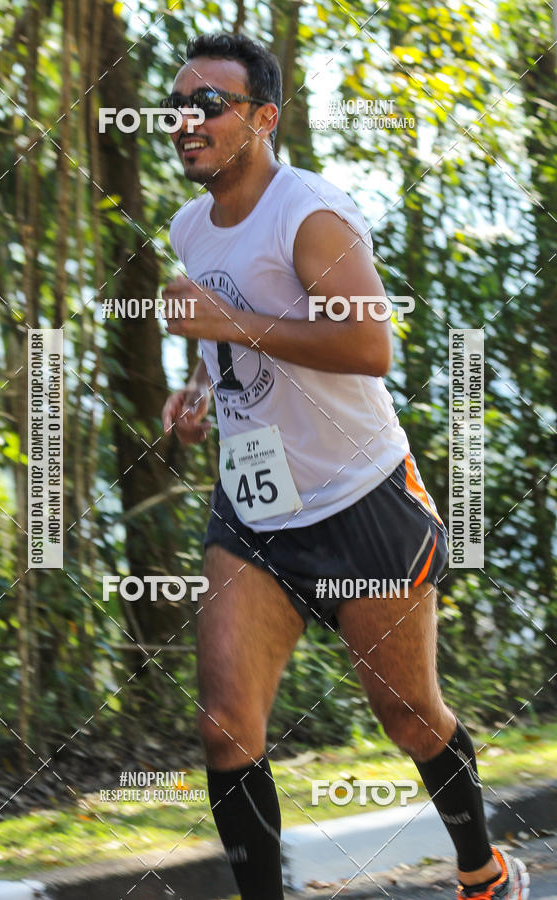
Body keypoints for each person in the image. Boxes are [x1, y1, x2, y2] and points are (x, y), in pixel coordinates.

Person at [160, 31, 529, 900]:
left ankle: (483, 870)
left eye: (207, 104)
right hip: (254, 507)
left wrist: (224, 329)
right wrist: (199, 391)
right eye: (176, 105)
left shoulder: (309, 212)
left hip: (360, 498)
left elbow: (369, 344)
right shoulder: (187, 225)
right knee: (225, 729)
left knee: (407, 717)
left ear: (262, 119)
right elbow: (224, 336)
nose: (184, 120)